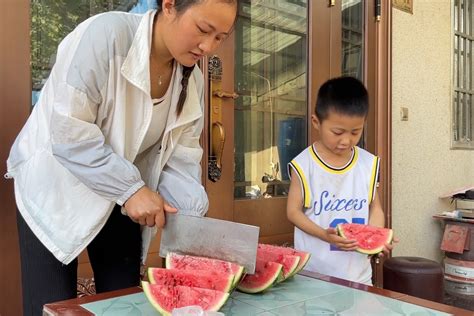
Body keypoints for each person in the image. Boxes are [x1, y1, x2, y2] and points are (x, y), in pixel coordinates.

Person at [5, 0, 237, 314]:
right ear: (169, 5)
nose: (208, 47)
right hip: (56, 185)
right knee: (50, 307)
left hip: (124, 193)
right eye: (202, 29)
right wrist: (131, 190)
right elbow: (68, 130)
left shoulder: (192, 79)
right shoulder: (105, 36)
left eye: (220, 37)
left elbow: (181, 159)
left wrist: (191, 227)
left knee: (125, 304)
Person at [286, 76, 395, 285]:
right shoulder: (304, 165)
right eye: (337, 132)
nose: (346, 141)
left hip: (359, 276)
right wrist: (323, 235)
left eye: (356, 132)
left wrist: (376, 235)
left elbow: (376, 208)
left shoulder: (367, 163)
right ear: (316, 122)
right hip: (314, 275)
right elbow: (293, 212)